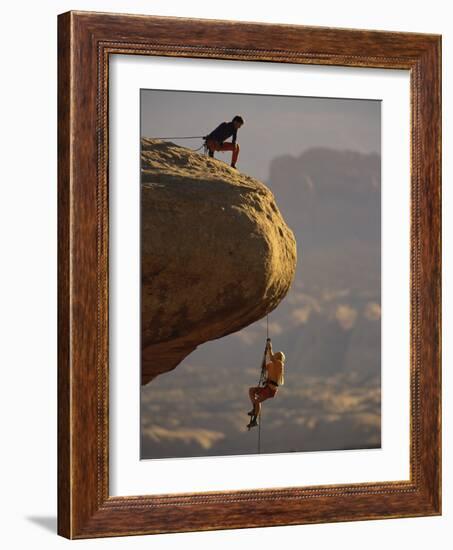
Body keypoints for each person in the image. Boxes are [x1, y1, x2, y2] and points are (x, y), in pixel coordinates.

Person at [247, 338, 285, 429]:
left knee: (257, 401)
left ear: (278, 357)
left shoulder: (280, 364)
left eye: (276, 355)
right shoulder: (271, 365)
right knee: (251, 391)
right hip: (267, 388)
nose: (274, 355)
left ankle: (255, 420)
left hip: (271, 390)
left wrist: (269, 347)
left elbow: (271, 357)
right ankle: (255, 409)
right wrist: (265, 355)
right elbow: (264, 366)